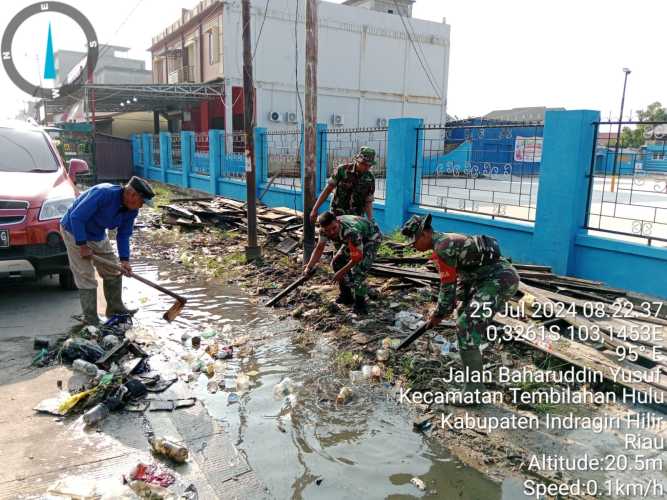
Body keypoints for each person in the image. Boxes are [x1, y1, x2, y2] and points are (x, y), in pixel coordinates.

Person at [401, 214, 520, 403]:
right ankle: (472, 374)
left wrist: (439, 313)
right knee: (463, 316)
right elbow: (463, 276)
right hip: (483, 279)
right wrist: (452, 305)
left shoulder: (443, 248)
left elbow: (446, 286)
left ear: (424, 234)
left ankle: (474, 392)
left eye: (414, 242)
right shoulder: (444, 241)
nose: (413, 247)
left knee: (466, 326)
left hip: (500, 280)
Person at [60, 176, 155, 325]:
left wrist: (125, 261)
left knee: (113, 270)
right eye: (142, 202)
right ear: (132, 194)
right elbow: (76, 217)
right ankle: (91, 319)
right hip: (74, 231)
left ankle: (115, 309)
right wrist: (83, 245)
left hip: (97, 234)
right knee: (86, 275)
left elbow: (123, 234)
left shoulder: (132, 211)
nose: (141, 206)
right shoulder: (103, 193)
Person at [304, 211, 382, 314]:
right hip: (352, 240)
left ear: (338, 222)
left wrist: (342, 272)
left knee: (359, 270)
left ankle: (360, 304)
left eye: (334, 228)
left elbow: (357, 258)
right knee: (337, 262)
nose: (331, 232)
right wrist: (308, 267)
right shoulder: (324, 230)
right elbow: (319, 248)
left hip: (371, 237)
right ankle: (346, 296)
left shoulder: (351, 232)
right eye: (328, 230)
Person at [309, 146, 376, 224]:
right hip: (338, 214)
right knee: (334, 233)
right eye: (364, 164)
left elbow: (368, 201)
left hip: (356, 218)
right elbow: (327, 190)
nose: (367, 167)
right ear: (357, 161)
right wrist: (315, 209)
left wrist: (371, 220)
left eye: (369, 165)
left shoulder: (370, 178)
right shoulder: (342, 170)